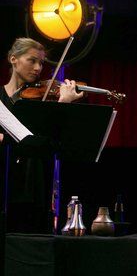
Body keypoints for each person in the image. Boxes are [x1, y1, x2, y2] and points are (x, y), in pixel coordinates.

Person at [1, 37, 83, 232]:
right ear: (14, 59)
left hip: (33, 184)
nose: (38, 68)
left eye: (41, 63)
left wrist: (63, 105)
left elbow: (50, 142)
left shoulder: (40, 102)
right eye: (32, 60)